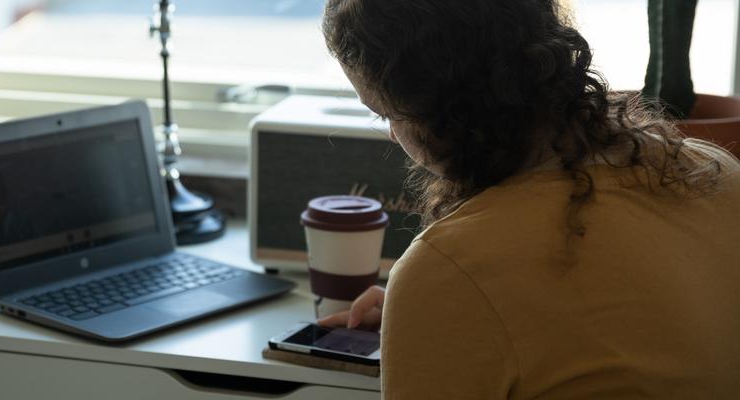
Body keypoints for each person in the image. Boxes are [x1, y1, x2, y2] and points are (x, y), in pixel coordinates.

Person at [317, 0, 740, 398]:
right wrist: (449, 322)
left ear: (442, 111)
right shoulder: (716, 174)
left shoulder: (449, 267)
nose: (391, 134)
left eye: (387, 114)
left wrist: (437, 303)